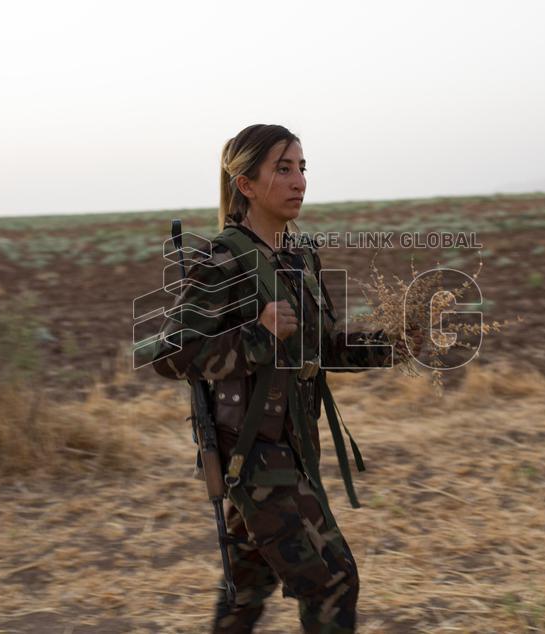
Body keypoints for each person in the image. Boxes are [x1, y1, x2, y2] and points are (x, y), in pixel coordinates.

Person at [151, 124, 393, 633]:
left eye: (302, 168)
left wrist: (396, 344)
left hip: (295, 449)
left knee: (246, 593)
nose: (298, 180)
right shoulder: (222, 261)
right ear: (245, 183)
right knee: (332, 580)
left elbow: (321, 347)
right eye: (283, 168)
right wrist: (256, 339)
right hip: (255, 458)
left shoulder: (299, 255)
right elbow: (169, 355)